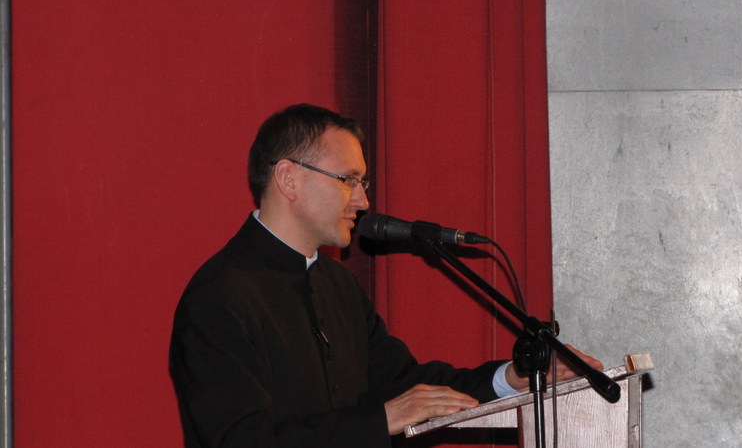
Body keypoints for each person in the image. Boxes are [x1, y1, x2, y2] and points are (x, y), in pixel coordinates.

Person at [169, 103, 602, 447]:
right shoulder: (220, 296)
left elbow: (403, 386)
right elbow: (240, 440)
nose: (362, 201)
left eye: (363, 183)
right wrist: (380, 420)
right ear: (288, 179)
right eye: (348, 179)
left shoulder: (338, 285)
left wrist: (512, 377)